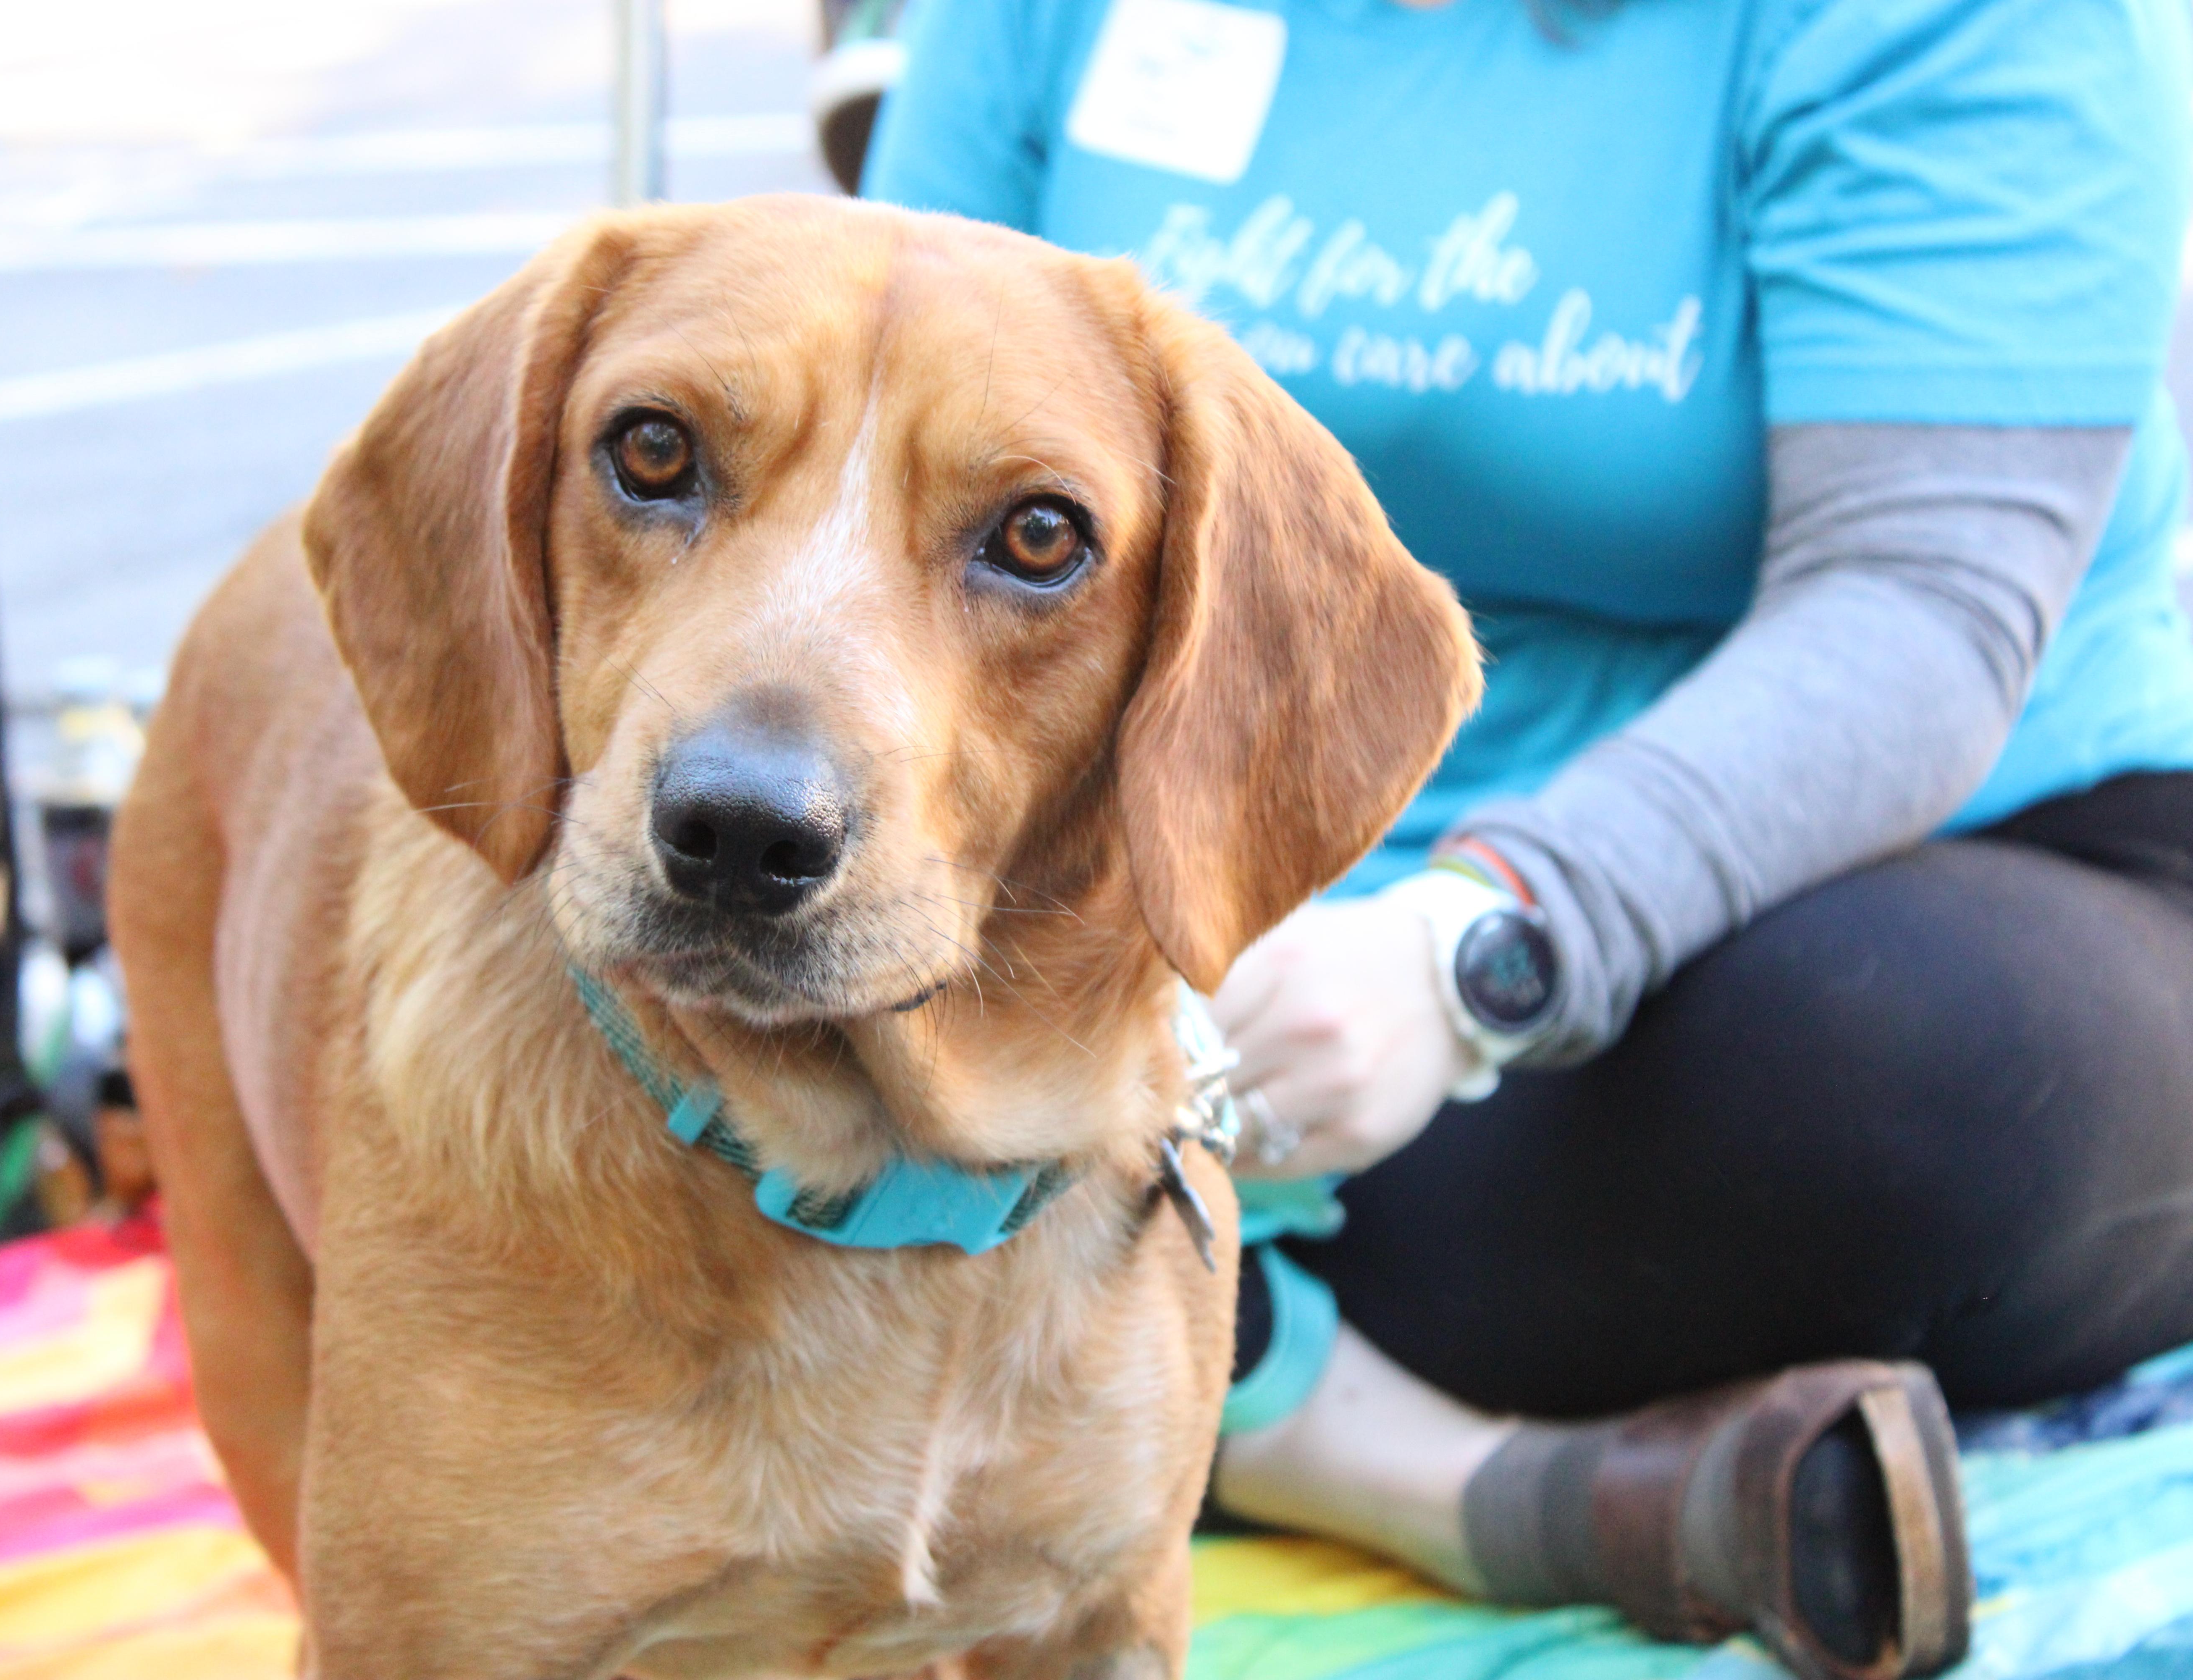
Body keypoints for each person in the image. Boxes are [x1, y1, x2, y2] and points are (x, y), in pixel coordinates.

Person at [860, 1, 2193, 1676]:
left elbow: (1921, 605)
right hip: (1210, 908)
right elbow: (885, 422)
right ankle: (1440, 1476)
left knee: (1901, 1071)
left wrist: (1470, 950)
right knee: (780, 997)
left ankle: (1177, 1360)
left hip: (1883, 885)